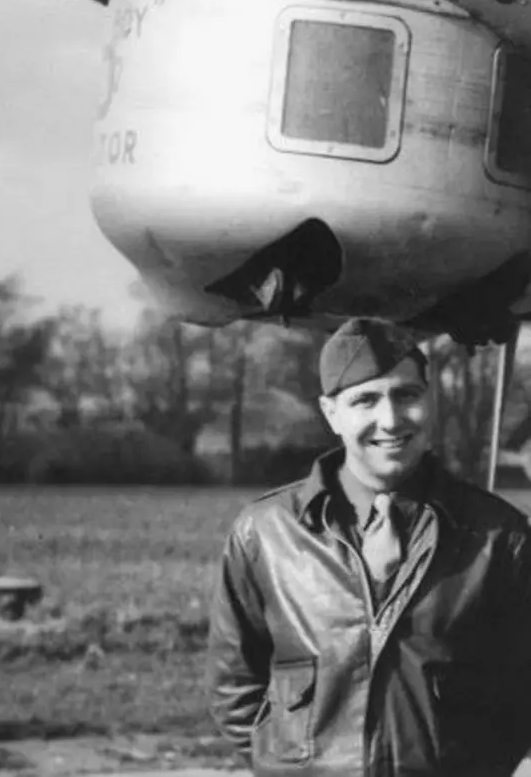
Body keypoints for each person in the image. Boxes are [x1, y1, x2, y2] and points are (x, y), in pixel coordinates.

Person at [206, 317, 531, 777]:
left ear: (429, 400)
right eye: (365, 400)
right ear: (331, 412)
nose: (391, 420)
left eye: (407, 395)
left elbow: (522, 693)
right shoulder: (264, 534)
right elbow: (234, 689)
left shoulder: (500, 537)